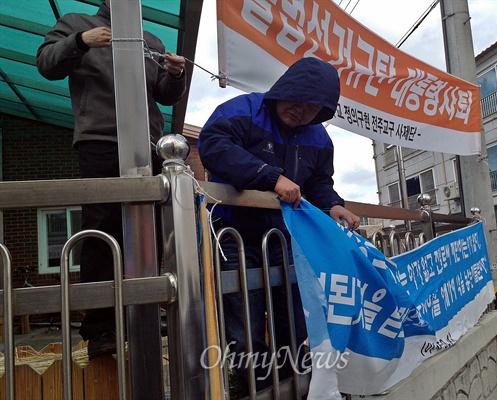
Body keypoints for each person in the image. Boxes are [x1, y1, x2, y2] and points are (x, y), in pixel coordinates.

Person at [198, 57, 360, 394]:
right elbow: (213, 146)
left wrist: (334, 205)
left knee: (297, 319)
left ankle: (296, 388)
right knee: (246, 327)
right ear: (283, 89)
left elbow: (319, 183)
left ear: (322, 112)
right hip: (233, 235)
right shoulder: (242, 110)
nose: (300, 110)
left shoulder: (319, 139)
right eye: (296, 99)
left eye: (312, 107)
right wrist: (270, 178)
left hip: (286, 237)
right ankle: (254, 390)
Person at [36, 0, 187, 359]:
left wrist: (175, 76)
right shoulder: (76, 22)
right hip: (100, 139)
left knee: (148, 229)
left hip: (148, 145)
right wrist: (81, 41)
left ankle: (145, 311)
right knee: (102, 228)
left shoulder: (150, 38)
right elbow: (45, 64)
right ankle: (101, 329)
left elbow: (163, 95)